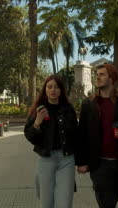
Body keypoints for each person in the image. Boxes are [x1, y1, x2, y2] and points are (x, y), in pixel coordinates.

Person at [76, 64, 118, 208]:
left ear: (112, 79)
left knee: (112, 200)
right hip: (99, 164)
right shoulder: (89, 104)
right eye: (96, 74)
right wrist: (81, 161)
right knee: (107, 202)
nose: (97, 77)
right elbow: (82, 135)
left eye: (102, 74)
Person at [24, 75, 78, 208]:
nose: (53, 90)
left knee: (64, 203)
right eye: (49, 87)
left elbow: (76, 136)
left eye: (56, 87)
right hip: (46, 160)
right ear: (45, 90)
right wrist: (37, 123)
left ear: (61, 91)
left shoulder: (68, 109)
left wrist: (82, 161)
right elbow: (29, 136)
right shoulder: (39, 110)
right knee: (46, 203)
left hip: (67, 160)